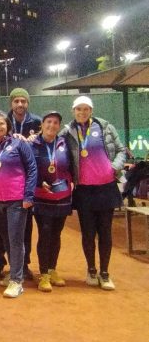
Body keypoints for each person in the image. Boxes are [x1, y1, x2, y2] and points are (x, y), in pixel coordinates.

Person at [59, 96, 126, 290]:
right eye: (78, 109)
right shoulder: (67, 131)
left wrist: (114, 167)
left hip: (106, 188)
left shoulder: (105, 127)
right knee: (88, 233)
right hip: (84, 191)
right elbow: (51, 140)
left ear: (91, 110)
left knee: (105, 232)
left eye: (86, 109)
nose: (82, 112)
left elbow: (121, 150)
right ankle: (91, 270)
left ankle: (105, 273)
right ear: (73, 111)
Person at [0, 87, 41, 280]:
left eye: (23, 101)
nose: (20, 104)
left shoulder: (37, 122)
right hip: (2, 186)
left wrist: (34, 141)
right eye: (16, 101)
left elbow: (46, 142)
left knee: (23, 229)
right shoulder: (3, 121)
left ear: (28, 103)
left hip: (24, 184)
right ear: (11, 103)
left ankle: (22, 266)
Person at [0, 110, 37, 298]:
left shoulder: (19, 143)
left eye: (1, 123)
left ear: (8, 126)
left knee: (15, 240)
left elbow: (32, 168)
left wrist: (28, 196)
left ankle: (16, 281)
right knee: (6, 239)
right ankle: (15, 273)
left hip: (17, 199)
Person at [29, 111, 73, 292]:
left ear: (59, 126)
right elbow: (28, 168)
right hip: (41, 196)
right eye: (48, 122)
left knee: (56, 234)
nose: (52, 125)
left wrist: (72, 182)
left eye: (55, 122)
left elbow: (71, 165)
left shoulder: (64, 143)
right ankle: (43, 274)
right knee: (45, 232)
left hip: (62, 196)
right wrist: (40, 182)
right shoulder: (33, 144)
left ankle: (52, 270)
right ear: (42, 124)